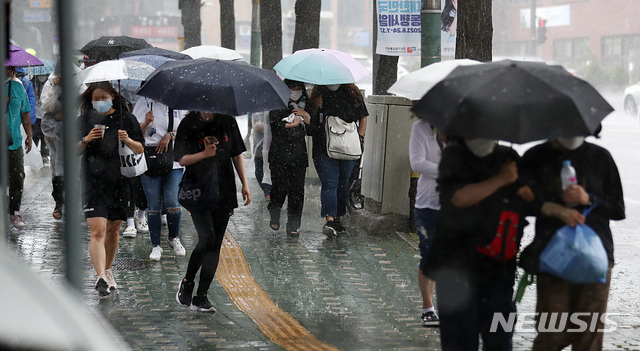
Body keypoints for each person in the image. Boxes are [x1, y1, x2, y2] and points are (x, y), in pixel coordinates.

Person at [424, 137, 537, 350]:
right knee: (460, 342)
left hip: (498, 271)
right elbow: (458, 198)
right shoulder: (454, 156)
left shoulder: (509, 157)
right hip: (455, 269)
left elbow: (531, 202)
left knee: (499, 341)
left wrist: (530, 194)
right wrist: (501, 179)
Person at [519, 134, 625, 351]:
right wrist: (552, 207)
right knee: (552, 333)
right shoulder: (536, 157)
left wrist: (589, 199)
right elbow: (519, 203)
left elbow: (617, 209)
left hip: (595, 257)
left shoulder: (599, 157)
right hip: (552, 256)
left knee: (589, 335)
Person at [175, 111, 251, 312]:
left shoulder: (227, 121)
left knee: (215, 244)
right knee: (207, 238)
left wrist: (245, 183)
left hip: (223, 190)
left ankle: (201, 296)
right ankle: (187, 282)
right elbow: (181, 159)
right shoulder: (188, 123)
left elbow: (236, 154)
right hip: (197, 191)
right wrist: (204, 154)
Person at [78, 81, 144, 297]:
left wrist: (127, 139)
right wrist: (86, 140)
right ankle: (100, 276)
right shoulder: (85, 119)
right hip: (91, 181)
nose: (100, 102)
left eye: (103, 98)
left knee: (113, 229)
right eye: (96, 99)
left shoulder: (126, 118)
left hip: (119, 181)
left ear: (113, 97)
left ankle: (107, 270)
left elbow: (140, 148)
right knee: (97, 231)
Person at [307, 83, 368, 236]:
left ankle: (337, 219)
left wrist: (360, 137)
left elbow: (363, 117)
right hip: (323, 147)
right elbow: (311, 125)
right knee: (330, 183)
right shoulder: (318, 94)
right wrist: (313, 109)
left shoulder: (352, 92)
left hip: (348, 146)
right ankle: (330, 219)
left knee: (342, 183)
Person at [133, 98, 186, 261]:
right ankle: (156, 245)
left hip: (174, 161)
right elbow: (132, 134)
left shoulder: (177, 104)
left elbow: (186, 131)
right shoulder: (142, 103)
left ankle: (173, 238)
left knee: (173, 203)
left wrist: (170, 135)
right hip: (149, 159)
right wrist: (145, 124)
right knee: (153, 205)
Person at [408, 119, 442, 327]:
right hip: (429, 203)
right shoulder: (421, 127)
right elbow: (417, 163)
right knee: (430, 256)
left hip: (460, 203)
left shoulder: (465, 127)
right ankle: (428, 308)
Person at [267, 79, 310, 235]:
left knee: (297, 191)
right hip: (279, 154)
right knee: (279, 188)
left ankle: (293, 225)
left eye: (299, 88)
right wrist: (290, 125)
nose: (295, 91)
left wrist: (307, 117)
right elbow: (274, 125)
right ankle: (274, 210)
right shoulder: (278, 103)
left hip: (298, 155)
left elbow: (313, 129)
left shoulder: (306, 105)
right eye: (292, 88)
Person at [5, 66, 32, 229]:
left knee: (17, 176)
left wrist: (29, 135)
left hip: (13, 141)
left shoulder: (18, 86)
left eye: (10, 68)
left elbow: (26, 112)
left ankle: (14, 211)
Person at [40, 65, 64, 219]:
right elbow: (46, 104)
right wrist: (55, 86)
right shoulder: (50, 83)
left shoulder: (79, 83)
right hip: (52, 128)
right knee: (57, 166)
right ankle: (59, 201)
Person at [251, 111, 271, 200]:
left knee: (270, 170)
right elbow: (257, 127)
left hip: (271, 145)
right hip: (259, 147)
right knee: (259, 172)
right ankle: (265, 189)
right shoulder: (257, 109)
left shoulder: (274, 108)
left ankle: (269, 191)